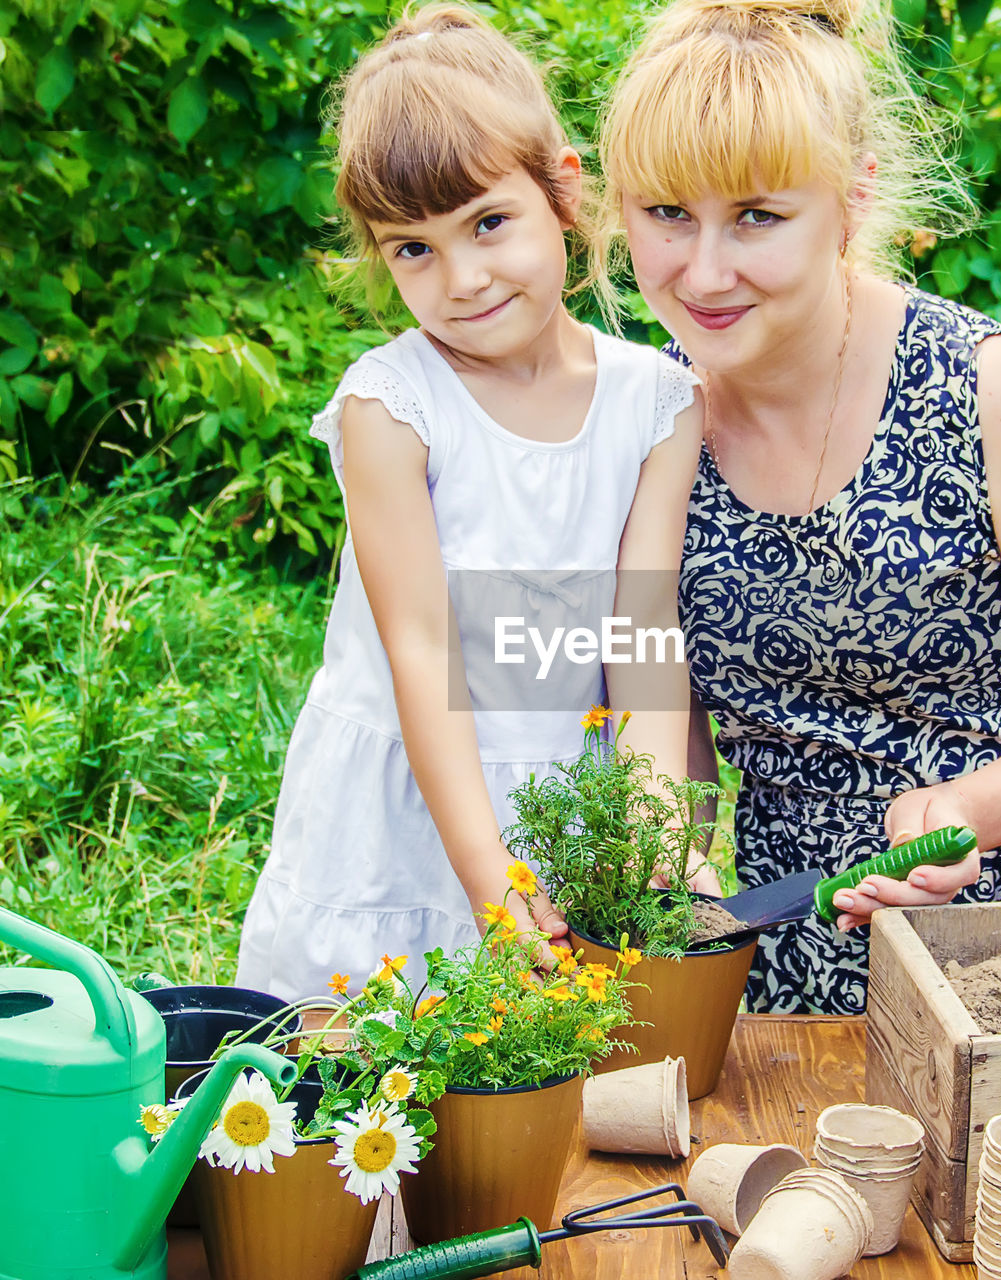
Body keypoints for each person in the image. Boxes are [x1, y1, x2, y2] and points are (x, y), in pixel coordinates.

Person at [599, 0, 1001, 1014]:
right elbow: (667, 698)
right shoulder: (641, 421)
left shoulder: (982, 395)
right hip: (804, 957)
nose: (702, 272)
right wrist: (672, 845)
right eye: (666, 213)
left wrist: (971, 808)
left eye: (756, 215)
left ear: (851, 197)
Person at [236, 4, 713, 1003]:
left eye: (487, 224)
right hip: (406, 808)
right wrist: (487, 874)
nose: (459, 278)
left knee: (546, 1082)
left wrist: (658, 825)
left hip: (558, 789)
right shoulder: (392, 406)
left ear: (563, 194)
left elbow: (642, 631)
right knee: (364, 1074)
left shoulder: (656, 403)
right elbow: (421, 646)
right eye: (410, 248)